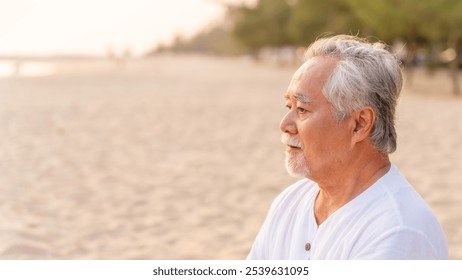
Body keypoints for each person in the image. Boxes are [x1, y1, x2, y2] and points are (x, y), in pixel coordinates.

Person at [247, 35, 448, 260]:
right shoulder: (289, 203)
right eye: (288, 106)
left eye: (302, 109)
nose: (284, 125)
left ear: (360, 124)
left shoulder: (397, 229)